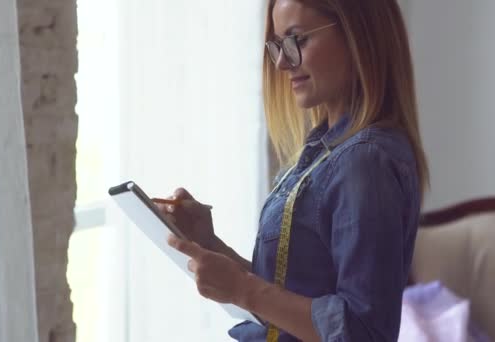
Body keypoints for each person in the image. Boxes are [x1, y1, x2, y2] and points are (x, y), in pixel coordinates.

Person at [156, 0, 429, 340]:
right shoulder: (329, 151)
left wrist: (243, 289)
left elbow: (362, 331)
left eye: (298, 40)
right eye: (278, 45)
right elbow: (296, 296)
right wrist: (211, 246)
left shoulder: (365, 162)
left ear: (358, 35)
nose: (283, 62)